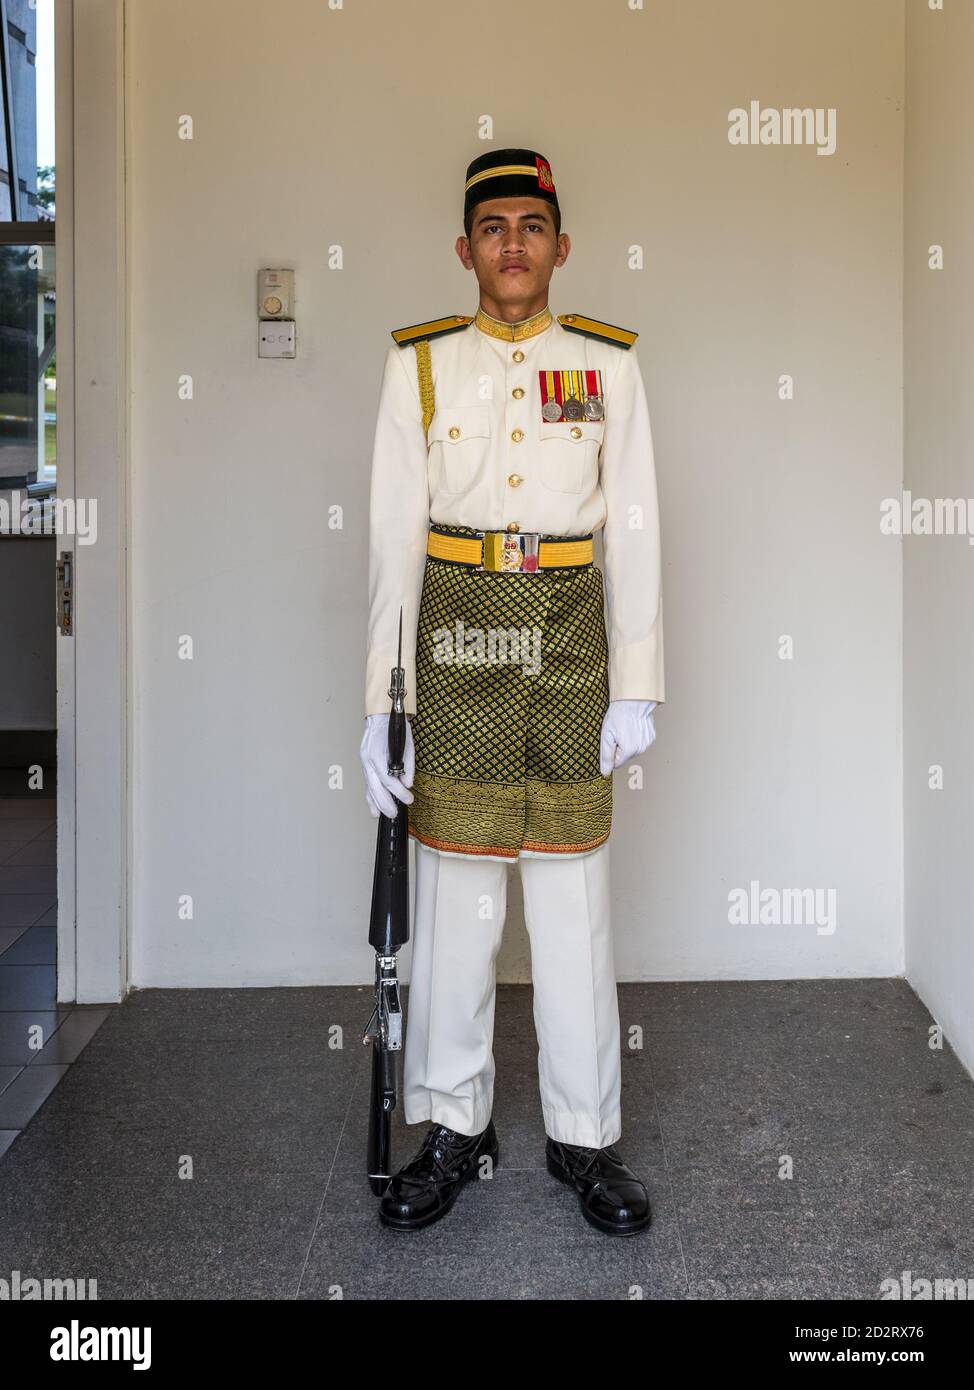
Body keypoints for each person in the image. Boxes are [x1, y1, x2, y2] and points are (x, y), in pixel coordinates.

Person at [360, 147, 664, 1235]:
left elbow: (631, 524)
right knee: (456, 899)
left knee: (573, 902)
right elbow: (395, 541)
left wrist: (638, 683)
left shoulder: (604, 364)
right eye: (491, 226)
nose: (512, 245)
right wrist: (380, 702)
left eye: (530, 224)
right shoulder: (421, 366)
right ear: (464, 249)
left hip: (573, 633)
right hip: (456, 634)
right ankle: (455, 1125)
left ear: (560, 244)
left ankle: (584, 1139)